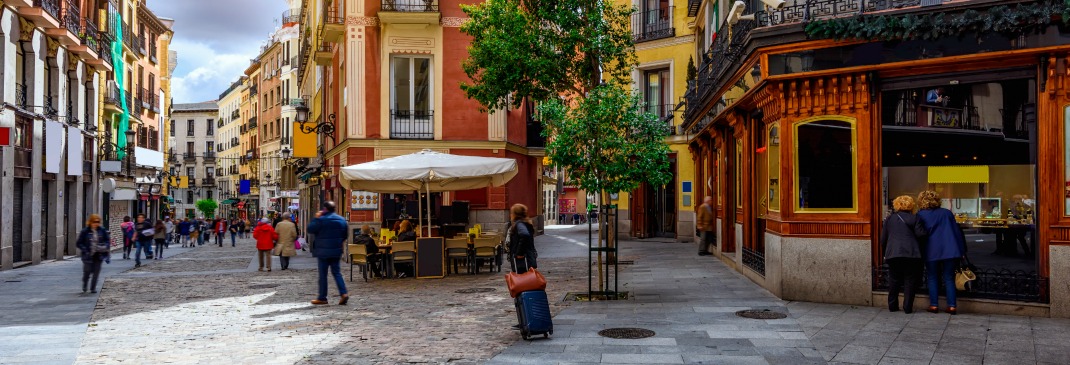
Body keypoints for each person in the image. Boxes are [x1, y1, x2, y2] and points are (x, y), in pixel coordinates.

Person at [917, 190, 967, 315]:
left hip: (931, 250)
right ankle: (952, 306)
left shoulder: (920, 215)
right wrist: (961, 250)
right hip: (950, 249)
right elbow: (956, 233)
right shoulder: (947, 213)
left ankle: (934, 305)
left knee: (932, 277)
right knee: (949, 277)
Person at [880, 196, 928, 314]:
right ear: (911, 205)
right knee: (909, 280)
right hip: (911, 253)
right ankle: (907, 307)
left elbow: (883, 239)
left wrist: (885, 252)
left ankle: (892, 306)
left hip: (893, 253)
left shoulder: (889, 219)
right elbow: (920, 235)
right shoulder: (915, 218)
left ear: (897, 205)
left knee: (894, 279)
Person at [307, 201, 349, 305]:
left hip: (323, 251)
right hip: (336, 250)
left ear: (325, 209)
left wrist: (316, 218)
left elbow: (310, 229)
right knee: (337, 273)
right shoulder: (342, 220)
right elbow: (345, 235)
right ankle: (343, 293)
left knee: (323, 275)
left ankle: (322, 297)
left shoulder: (321, 220)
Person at [76, 214, 110, 294]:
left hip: (99, 254)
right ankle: (85, 284)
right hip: (88, 254)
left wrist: (105, 246)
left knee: (96, 272)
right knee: (87, 271)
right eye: (94, 222)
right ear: (90, 222)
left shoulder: (102, 230)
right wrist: (84, 249)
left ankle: (93, 288)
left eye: (98, 222)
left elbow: (107, 240)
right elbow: (79, 243)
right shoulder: (85, 231)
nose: (96, 223)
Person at [507, 204, 537, 274]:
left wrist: (519, 253)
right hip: (528, 257)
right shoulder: (526, 223)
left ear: (515, 214)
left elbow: (524, 235)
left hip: (522, 259)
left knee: (522, 280)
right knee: (527, 280)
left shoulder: (519, 224)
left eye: (512, 213)